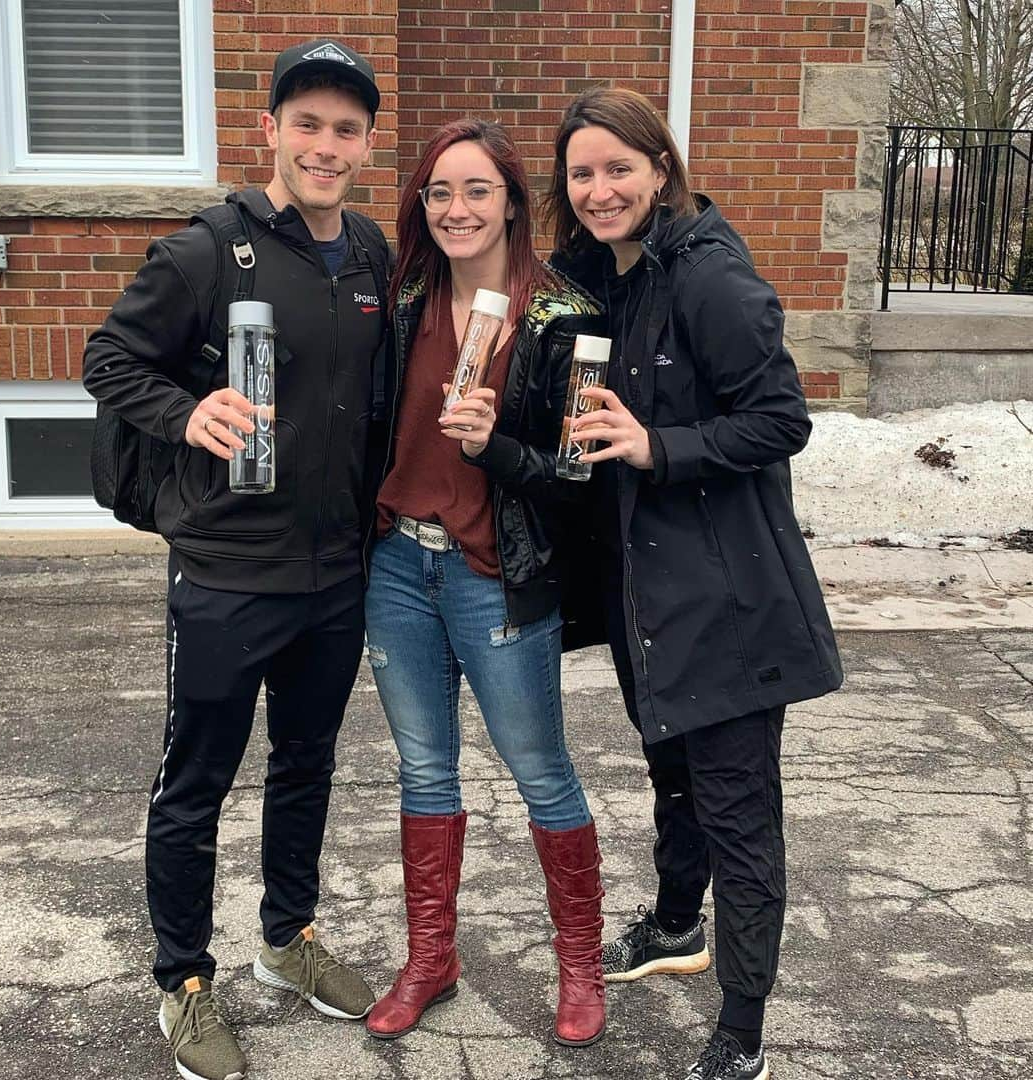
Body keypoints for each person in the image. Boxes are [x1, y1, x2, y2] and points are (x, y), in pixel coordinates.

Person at [82, 39, 395, 1080]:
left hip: (334, 578)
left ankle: (286, 938)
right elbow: (109, 359)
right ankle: (182, 980)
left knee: (306, 768)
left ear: (364, 144)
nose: (325, 144)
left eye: (345, 129)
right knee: (196, 786)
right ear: (269, 130)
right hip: (224, 572)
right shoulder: (204, 251)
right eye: (305, 123)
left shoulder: (369, 254)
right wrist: (188, 409)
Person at [544, 87, 844, 1080]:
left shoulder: (711, 280)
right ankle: (678, 923)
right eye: (581, 173)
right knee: (672, 773)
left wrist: (654, 445)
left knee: (739, 814)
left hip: (730, 602)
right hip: (650, 596)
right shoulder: (607, 282)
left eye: (618, 168)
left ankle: (743, 1032)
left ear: (661, 169)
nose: (599, 190)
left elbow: (781, 420)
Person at [362, 118, 607, 1048]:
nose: (457, 209)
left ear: (512, 199)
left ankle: (578, 965)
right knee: (424, 767)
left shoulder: (565, 318)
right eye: (439, 192)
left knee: (541, 771)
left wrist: (495, 446)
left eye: (476, 190)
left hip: (496, 576)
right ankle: (432, 956)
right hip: (396, 567)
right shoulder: (403, 296)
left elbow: (581, 481)